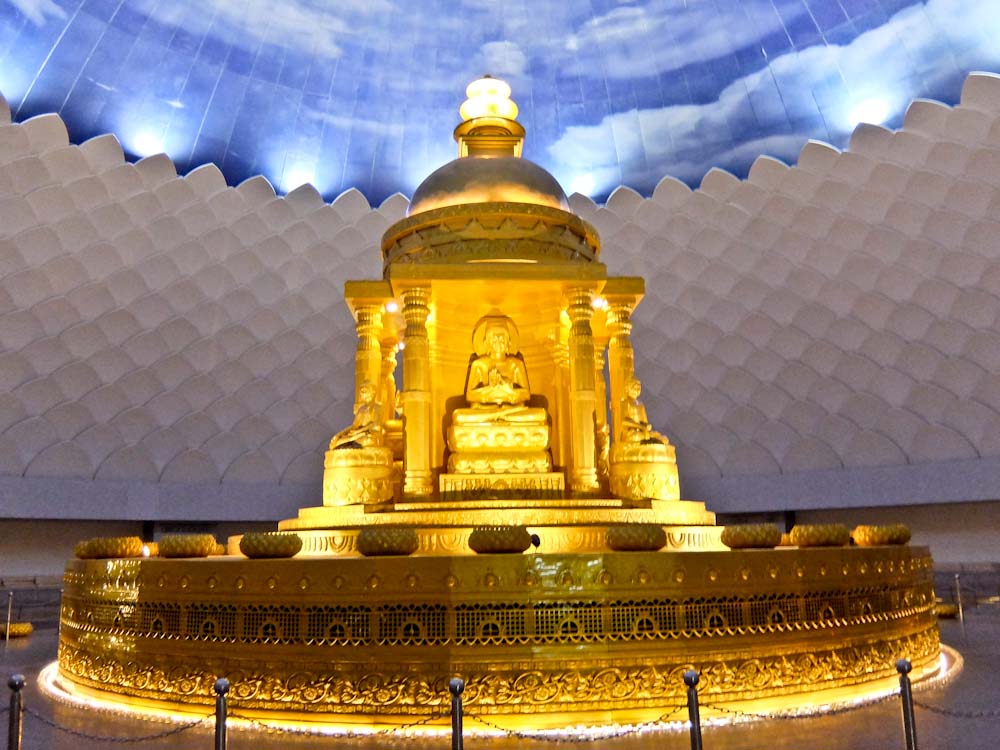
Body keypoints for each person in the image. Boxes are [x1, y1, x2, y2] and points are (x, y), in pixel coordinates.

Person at [454, 316, 545, 424]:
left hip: (512, 410)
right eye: (494, 339)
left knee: (540, 415)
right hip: (485, 410)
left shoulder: (515, 364)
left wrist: (507, 388)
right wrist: (490, 389)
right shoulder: (479, 364)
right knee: (459, 417)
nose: (498, 343)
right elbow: (470, 396)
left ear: (509, 343)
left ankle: (501, 416)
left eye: (502, 339)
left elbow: (526, 394)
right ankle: (500, 415)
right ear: (486, 343)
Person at [329, 381, 383, 449]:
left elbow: (376, 424)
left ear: (372, 392)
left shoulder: (377, 407)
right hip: (357, 434)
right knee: (335, 443)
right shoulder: (361, 409)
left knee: (366, 440)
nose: (361, 394)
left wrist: (359, 432)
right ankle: (350, 442)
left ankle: (352, 443)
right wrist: (339, 434)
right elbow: (354, 426)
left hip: (368, 435)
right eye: (361, 391)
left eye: (364, 391)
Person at [619, 377, 666, 444]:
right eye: (635, 388)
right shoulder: (625, 403)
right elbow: (624, 421)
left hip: (642, 431)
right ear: (628, 388)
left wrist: (646, 426)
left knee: (662, 438)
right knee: (637, 437)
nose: (637, 390)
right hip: (631, 433)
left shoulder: (640, 404)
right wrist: (640, 426)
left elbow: (644, 421)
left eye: (639, 388)